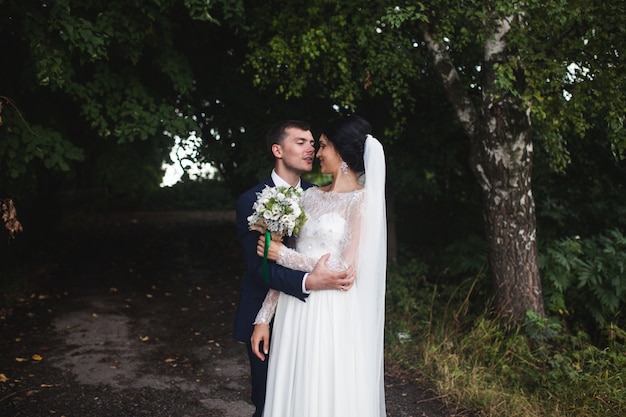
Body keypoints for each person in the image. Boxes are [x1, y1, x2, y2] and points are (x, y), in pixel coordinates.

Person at [252, 115, 387, 416]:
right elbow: (286, 265)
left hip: (331, 311)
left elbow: (343, 267)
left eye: (323, 145)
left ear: (340, 151)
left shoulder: (362, 201)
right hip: (293, 306)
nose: (318, 152)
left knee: (323, 389)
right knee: (291, 387)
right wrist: (264, 316)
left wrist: (281, 255)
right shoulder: (308, 197)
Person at [233, 119, 355, 417]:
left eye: (313, 143)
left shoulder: (319, 195)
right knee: (268, 401)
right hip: (268, 314)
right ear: (278, 149)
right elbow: (259, 267)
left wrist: (317, 279)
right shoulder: (251, 201)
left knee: (310, 398)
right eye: (301, 142)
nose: (310, 148)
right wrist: (308, 282)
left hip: (317, 314)